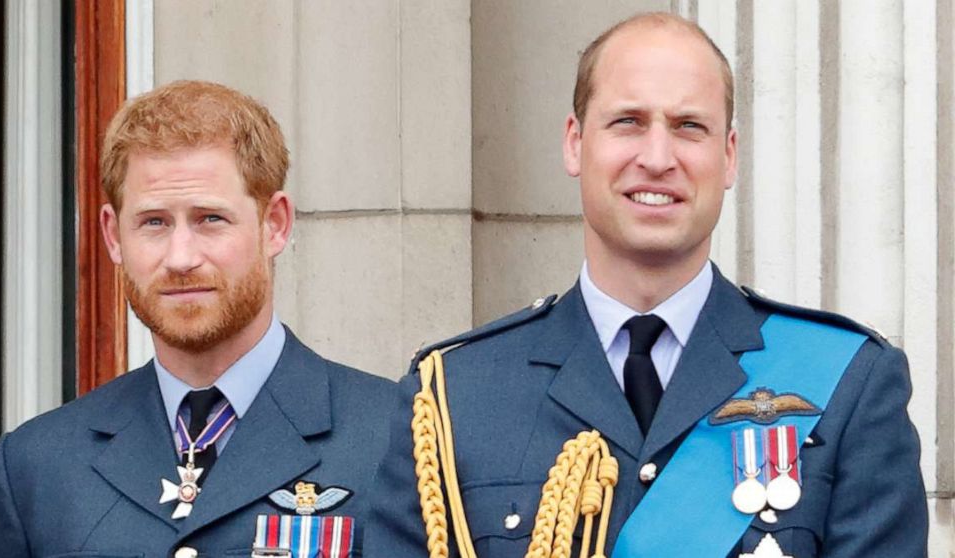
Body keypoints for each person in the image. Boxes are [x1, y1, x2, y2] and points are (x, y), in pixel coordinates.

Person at [365, 13, 927, 558]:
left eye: (689, 127)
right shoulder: (454, 397)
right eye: (628, 121)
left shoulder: (850, 384)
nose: (657, 158)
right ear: (574, 142)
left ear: (728, 156)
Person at [0, 80, 394, 558]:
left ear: (275, 224)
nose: (181, 258)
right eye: (154, 222)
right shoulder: (39, 464)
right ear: (114, 236)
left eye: (209, 219)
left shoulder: (396, 438)